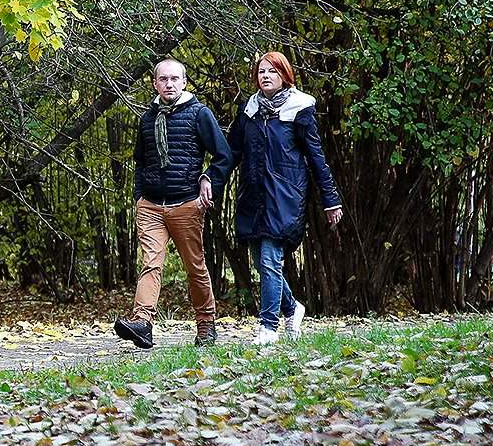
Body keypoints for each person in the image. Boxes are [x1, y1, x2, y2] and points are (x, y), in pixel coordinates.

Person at [114, 58, 233, 349]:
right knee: (150, 264)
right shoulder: (147, 118)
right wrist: (139, 197)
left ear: (184, 82)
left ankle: (206, 325)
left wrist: (208, 178)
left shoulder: (199, 114)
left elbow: (223, 155)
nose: (169, 84)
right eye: (163, 79)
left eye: (175, 79)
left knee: (195, 266)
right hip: (151, 205)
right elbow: (140, 162)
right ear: (155, 84)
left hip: (186, 204)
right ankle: (142, 323)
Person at [225, 51, 343, 346]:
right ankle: (292, 308)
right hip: (252, 196)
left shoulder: (299, 109)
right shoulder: (249, 111)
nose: (265, 76)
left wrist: (331, 200)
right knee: (261, 262)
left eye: (272, 72)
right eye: (261, 72)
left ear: (285, 76)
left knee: (269, 259)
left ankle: (267, 328)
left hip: (285, 196)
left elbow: (316, 158)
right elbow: (232, 153)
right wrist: (210, 183)